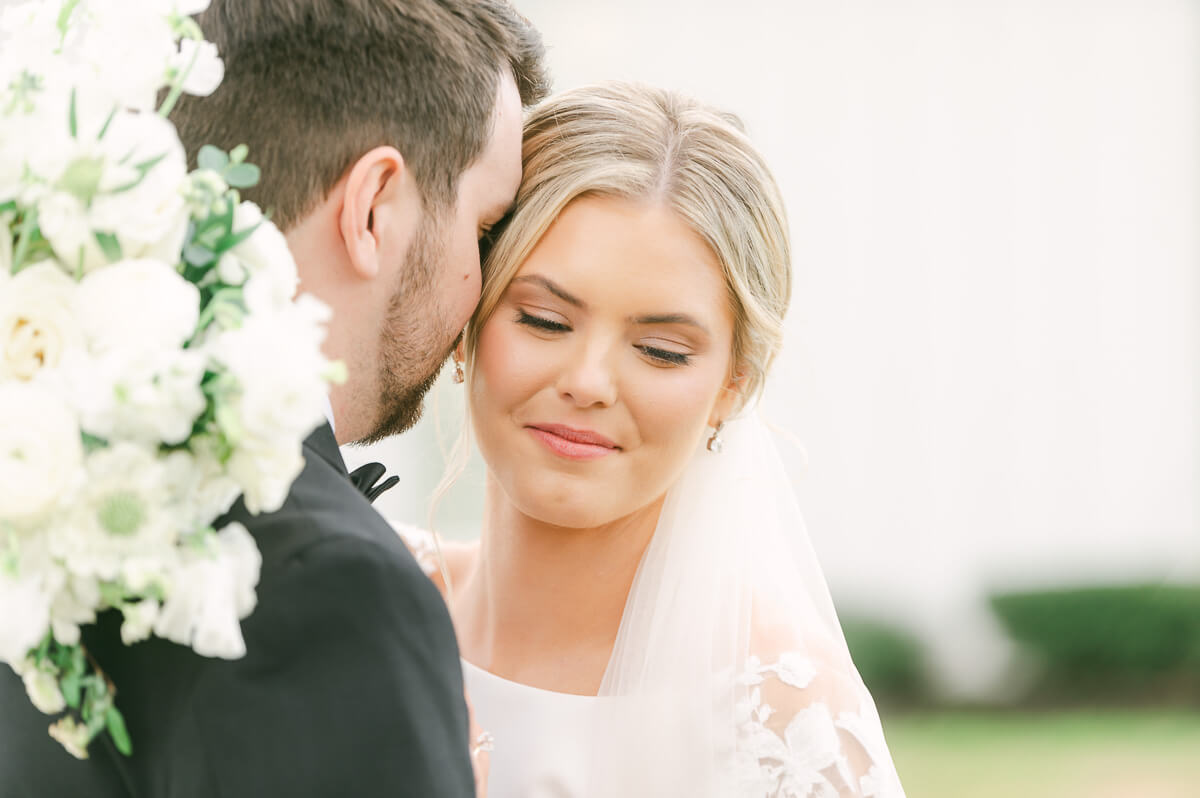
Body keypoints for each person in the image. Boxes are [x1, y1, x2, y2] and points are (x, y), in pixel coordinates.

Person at [0, 1, 547, 796]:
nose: (482, 287)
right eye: (485, 226)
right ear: (371, 208)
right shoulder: (330, 585)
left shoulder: (35, 461)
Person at [403, 83, 907, 796]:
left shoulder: (784, 720)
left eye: (662, 350)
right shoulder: (359, 599)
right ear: (469, 317)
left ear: (731, 385)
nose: (588, 381)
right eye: (545, 320)